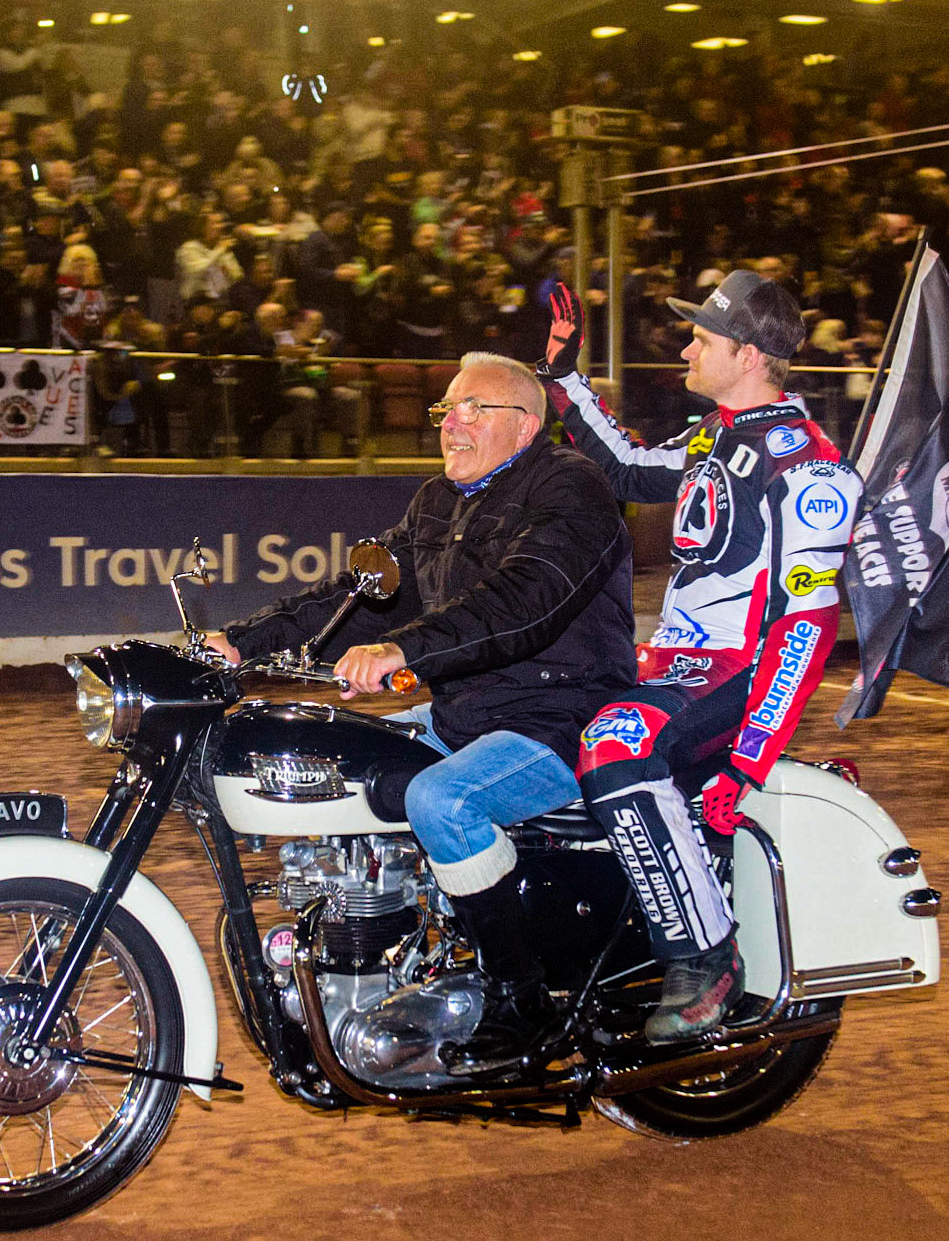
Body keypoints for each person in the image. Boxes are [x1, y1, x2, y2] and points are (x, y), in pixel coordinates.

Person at [206, 351, 636, 1074]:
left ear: (525, 424)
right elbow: (357, 597)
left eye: (474, 408)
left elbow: (520, 605)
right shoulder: (440, 502)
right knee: (341, 764)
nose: (451, 423)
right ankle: (397, 948)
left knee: (440, 796)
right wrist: (238, 646)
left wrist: (399, 651)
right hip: (467, 714)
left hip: (563, 716)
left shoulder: (571, 489)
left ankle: (519, 999)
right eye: (446, 410)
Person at [540, 271, 862, 1043]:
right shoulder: (712, 436)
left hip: (736, 671)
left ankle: (704, 957)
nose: (685, 349)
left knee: (616, 741)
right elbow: (623, 467)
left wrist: (749, 760)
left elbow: (805, 627)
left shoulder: (807, 469)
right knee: (537, 708)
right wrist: (561, 378)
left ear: (748, 356)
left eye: (702, 339)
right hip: (675, 664)